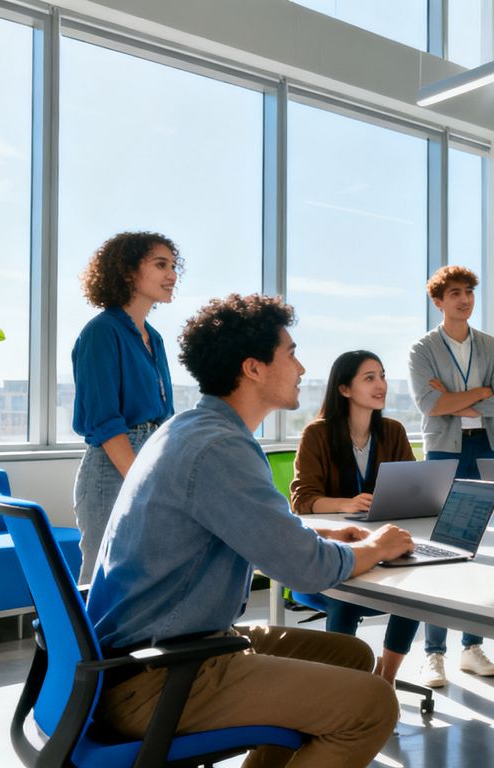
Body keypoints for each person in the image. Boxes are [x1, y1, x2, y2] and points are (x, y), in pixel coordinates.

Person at [86, 294, 415, 768]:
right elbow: (306, 569)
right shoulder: (220, 448)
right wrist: (377, 546)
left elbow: (252, 534)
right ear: (254, 368)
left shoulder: (190, 429)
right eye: (291, 354)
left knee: (349, 655)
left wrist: (319, 536)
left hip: (153, 650)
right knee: (373, 705)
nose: (302, 368)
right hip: (159, 673)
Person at [289, 350, 422, 686]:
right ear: (345, 389)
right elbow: (302, 501)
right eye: (369, 378)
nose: (381, 385)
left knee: (414, 596)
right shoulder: (317, 434)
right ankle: (343, 688)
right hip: (334, 551)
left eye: (382, 375)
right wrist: (346, 503)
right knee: (347, 599)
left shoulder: (393, 432)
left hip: (383, 548)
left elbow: (414, 492)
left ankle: (385, 681)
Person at [407, 265, 494, 687]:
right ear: (438, 301)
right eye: (454, 293)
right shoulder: (423, 349)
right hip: (443, 451)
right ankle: (434, 653)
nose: (464, 299)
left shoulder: (491, 347)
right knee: (440, 549)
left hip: (484, 447)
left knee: (480, 550)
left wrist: (461, 399)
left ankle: (472, 646)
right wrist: (478, 394)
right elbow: (430, 405)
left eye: (469, 292)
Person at [71, 231, 179, 583]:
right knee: (102, 575)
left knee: (141, 572)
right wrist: (140, 478)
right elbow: (105, 421)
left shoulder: (154, 337)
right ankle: (79, 640)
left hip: (147, 456)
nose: (172, 275)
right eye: (161, 265)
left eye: (174, 267)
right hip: (112, 464)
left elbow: (165, 415)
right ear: (129, 271)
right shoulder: (102, 332)